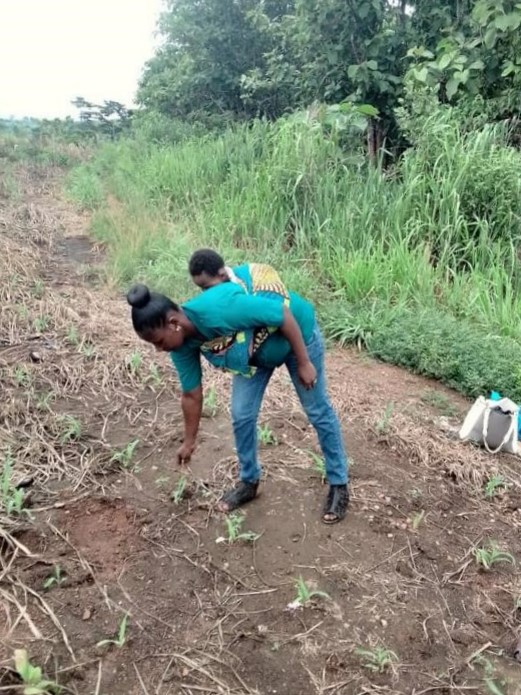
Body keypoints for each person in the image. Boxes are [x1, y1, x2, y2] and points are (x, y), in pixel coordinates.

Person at [126, 253, 349, 523]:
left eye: (159, 341)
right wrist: (189, 441)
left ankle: (339, 484)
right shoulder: (181, 345)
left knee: (316, 409)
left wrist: (304, 361)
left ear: (173, 323)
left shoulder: (220, 308)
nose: (159, 349)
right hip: (253, 354)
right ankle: (249, 482)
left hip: (296, 335)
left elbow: (282, 314)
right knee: (242, 414)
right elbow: (191, 394)